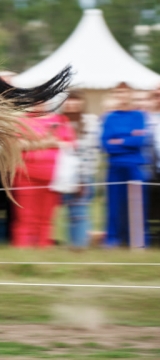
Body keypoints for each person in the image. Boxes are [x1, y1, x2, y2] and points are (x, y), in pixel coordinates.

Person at [11, 103, 75, 248]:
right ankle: (23, 251)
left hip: (52, 177)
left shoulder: (61, 120)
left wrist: (33, 143)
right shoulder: (21, 121)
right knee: (25, 217)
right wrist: (47, 142)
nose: (39, 102)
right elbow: (16, 145)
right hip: (25, 175)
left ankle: (43, 249)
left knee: (46, 218)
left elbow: (69, 144)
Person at [101, 82, 149, 247]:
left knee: (136, 203)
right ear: (115, 96)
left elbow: (139, 141)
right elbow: (105, 144)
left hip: (134, 166)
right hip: (114, 166)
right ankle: (112, 239)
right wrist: (127, 139)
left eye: (124, 93)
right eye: (118, 93)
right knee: (114, 204)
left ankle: (136, 240)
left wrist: (118, 140)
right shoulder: (109, 117)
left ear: (130, 95)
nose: (121, 96)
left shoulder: (139, 116)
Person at [61, 92, 100, 249]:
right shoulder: (59, 122)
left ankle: (80, 245)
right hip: (64, 174)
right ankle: (72, 243)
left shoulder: (90, 122)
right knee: (69, 210)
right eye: (68, 101)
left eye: (75, 101)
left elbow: (93, 150)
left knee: (80, 210)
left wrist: (84, 174)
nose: (71, 104)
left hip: (84, 173)